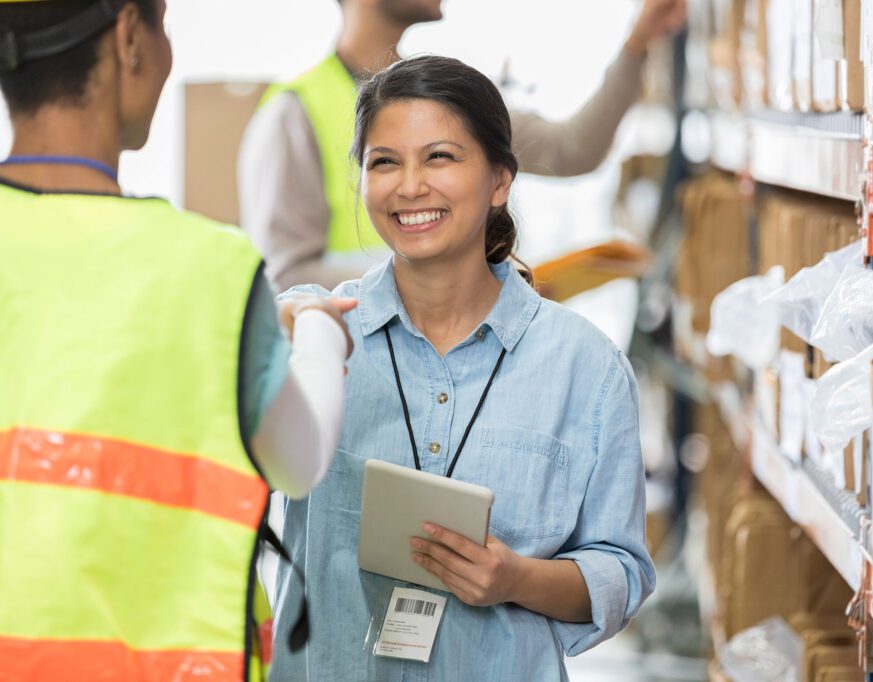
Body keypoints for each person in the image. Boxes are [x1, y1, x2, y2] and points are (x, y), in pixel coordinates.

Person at [270, 54, 655, 681]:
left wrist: (516, 578)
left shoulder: (585, 366)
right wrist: (261, 347)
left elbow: (622, 570)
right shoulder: (313, 335)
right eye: (384, 162)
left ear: (500, 181)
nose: (410, 185)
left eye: (440, 157)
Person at [0, 1, 354, 679]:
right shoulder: (208, 272)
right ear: (129, 36)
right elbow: (299, 459)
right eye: (163, 24)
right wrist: (317, 329)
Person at [238, 0, 688, 291]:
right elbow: (286, 279)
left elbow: (571, 149)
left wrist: (638, 42)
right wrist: (453, 284)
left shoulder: (453, 96)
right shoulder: (294, 113)